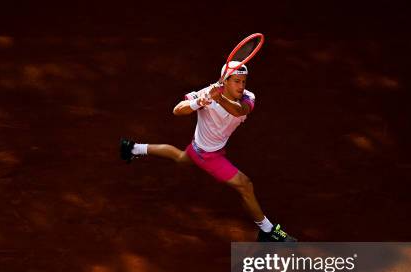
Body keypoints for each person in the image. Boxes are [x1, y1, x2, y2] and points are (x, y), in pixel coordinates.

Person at [119, 61, 296, 242]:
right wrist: (199, 102)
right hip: (206, 154)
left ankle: (132, 148)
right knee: (245, 185)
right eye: (237, 81)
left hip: (208, 148)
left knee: (181, 157)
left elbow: (239, 111)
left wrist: (218, 98)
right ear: (224, 81)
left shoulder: (248, 98)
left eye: (244, 81)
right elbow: (177, 110)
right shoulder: (206, 94)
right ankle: (267, 231)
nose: (242, 86)